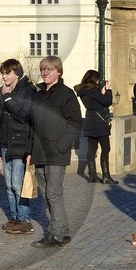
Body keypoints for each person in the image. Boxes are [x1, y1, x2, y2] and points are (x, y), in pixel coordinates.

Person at [28, 55, 82, 248]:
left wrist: (61, 145)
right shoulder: (38, 93)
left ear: (58, 72)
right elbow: (32, 123)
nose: (45, 72)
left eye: (49, 69)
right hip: (40, 151)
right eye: (43, 69)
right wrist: (30, 150)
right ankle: (63, 231)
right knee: (48, 194)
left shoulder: (66, 94)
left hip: (56, 152)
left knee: (54, 194)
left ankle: (55, 235)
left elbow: (75, 122)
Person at [0, 59, 35, 234]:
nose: (4, 76)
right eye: (3, 73)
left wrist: (8, 97)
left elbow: (23, 116)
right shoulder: (4, 91)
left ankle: (25, 219)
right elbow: (0, 121)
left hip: (20, 143)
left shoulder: (28, 90)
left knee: (18, 184)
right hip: (6, 143)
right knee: (9, 187)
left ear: (17, 74)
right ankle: (15, 217)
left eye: (8, 73)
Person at [75, 69, 114, 184]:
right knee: (106, 148)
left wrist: (100, 93)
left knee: (92, 150)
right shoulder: (93, 90)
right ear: (94, 79)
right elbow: (107, 102)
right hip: (99, 121)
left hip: (89, 120)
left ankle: (92, 176)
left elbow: (95, 101)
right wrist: (108, 90)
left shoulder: (83, 91)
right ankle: (106, 176)